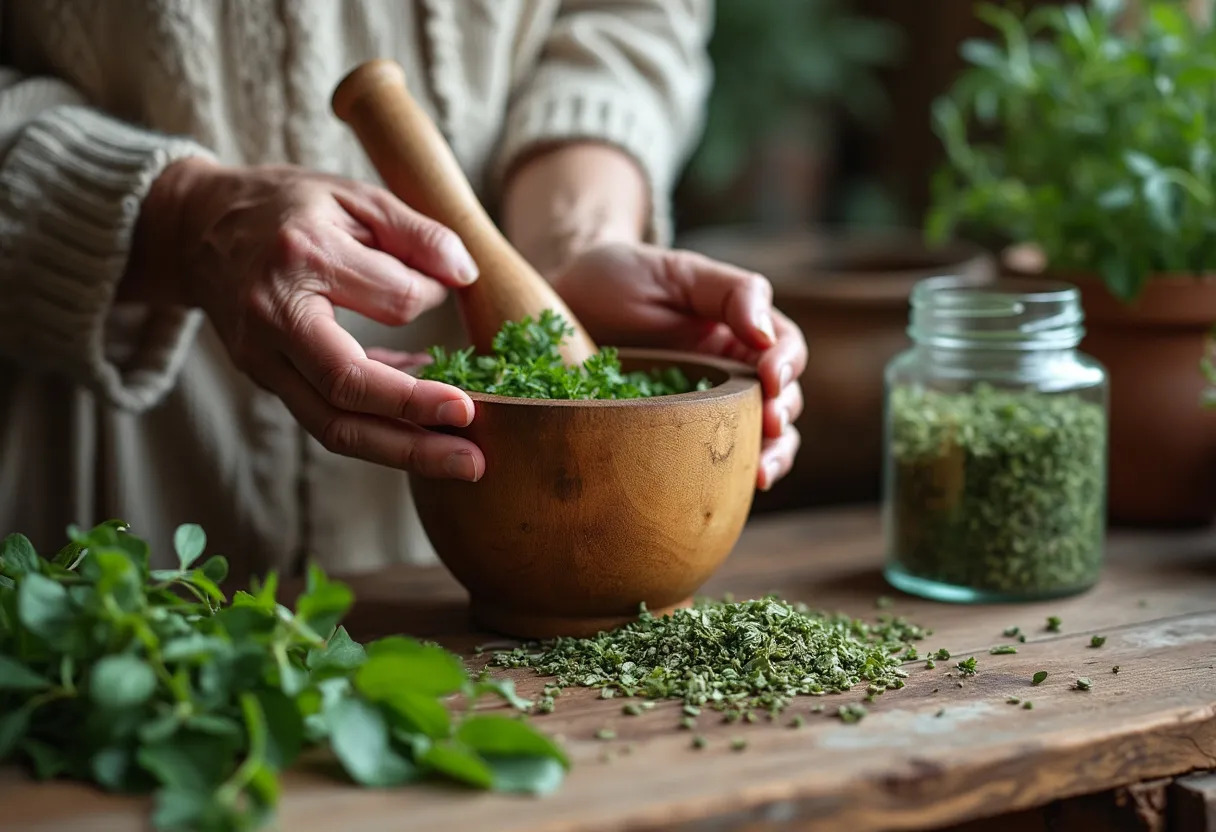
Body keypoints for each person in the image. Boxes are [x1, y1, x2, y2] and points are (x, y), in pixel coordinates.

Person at [0, 1, 806, 579]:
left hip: (467, 533)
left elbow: (624, 20)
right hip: (100, 487)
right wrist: (179, 220)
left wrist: (576, 236)